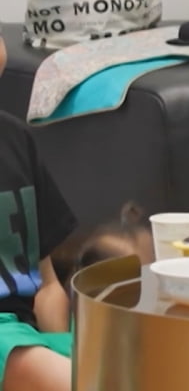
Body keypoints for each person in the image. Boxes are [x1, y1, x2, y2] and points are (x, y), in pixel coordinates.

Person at [0, 30, 78, 391]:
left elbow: (46, 285)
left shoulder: (16, 140)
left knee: (125, 348)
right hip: (6, 344)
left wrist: (63, 346)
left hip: (27, 336)